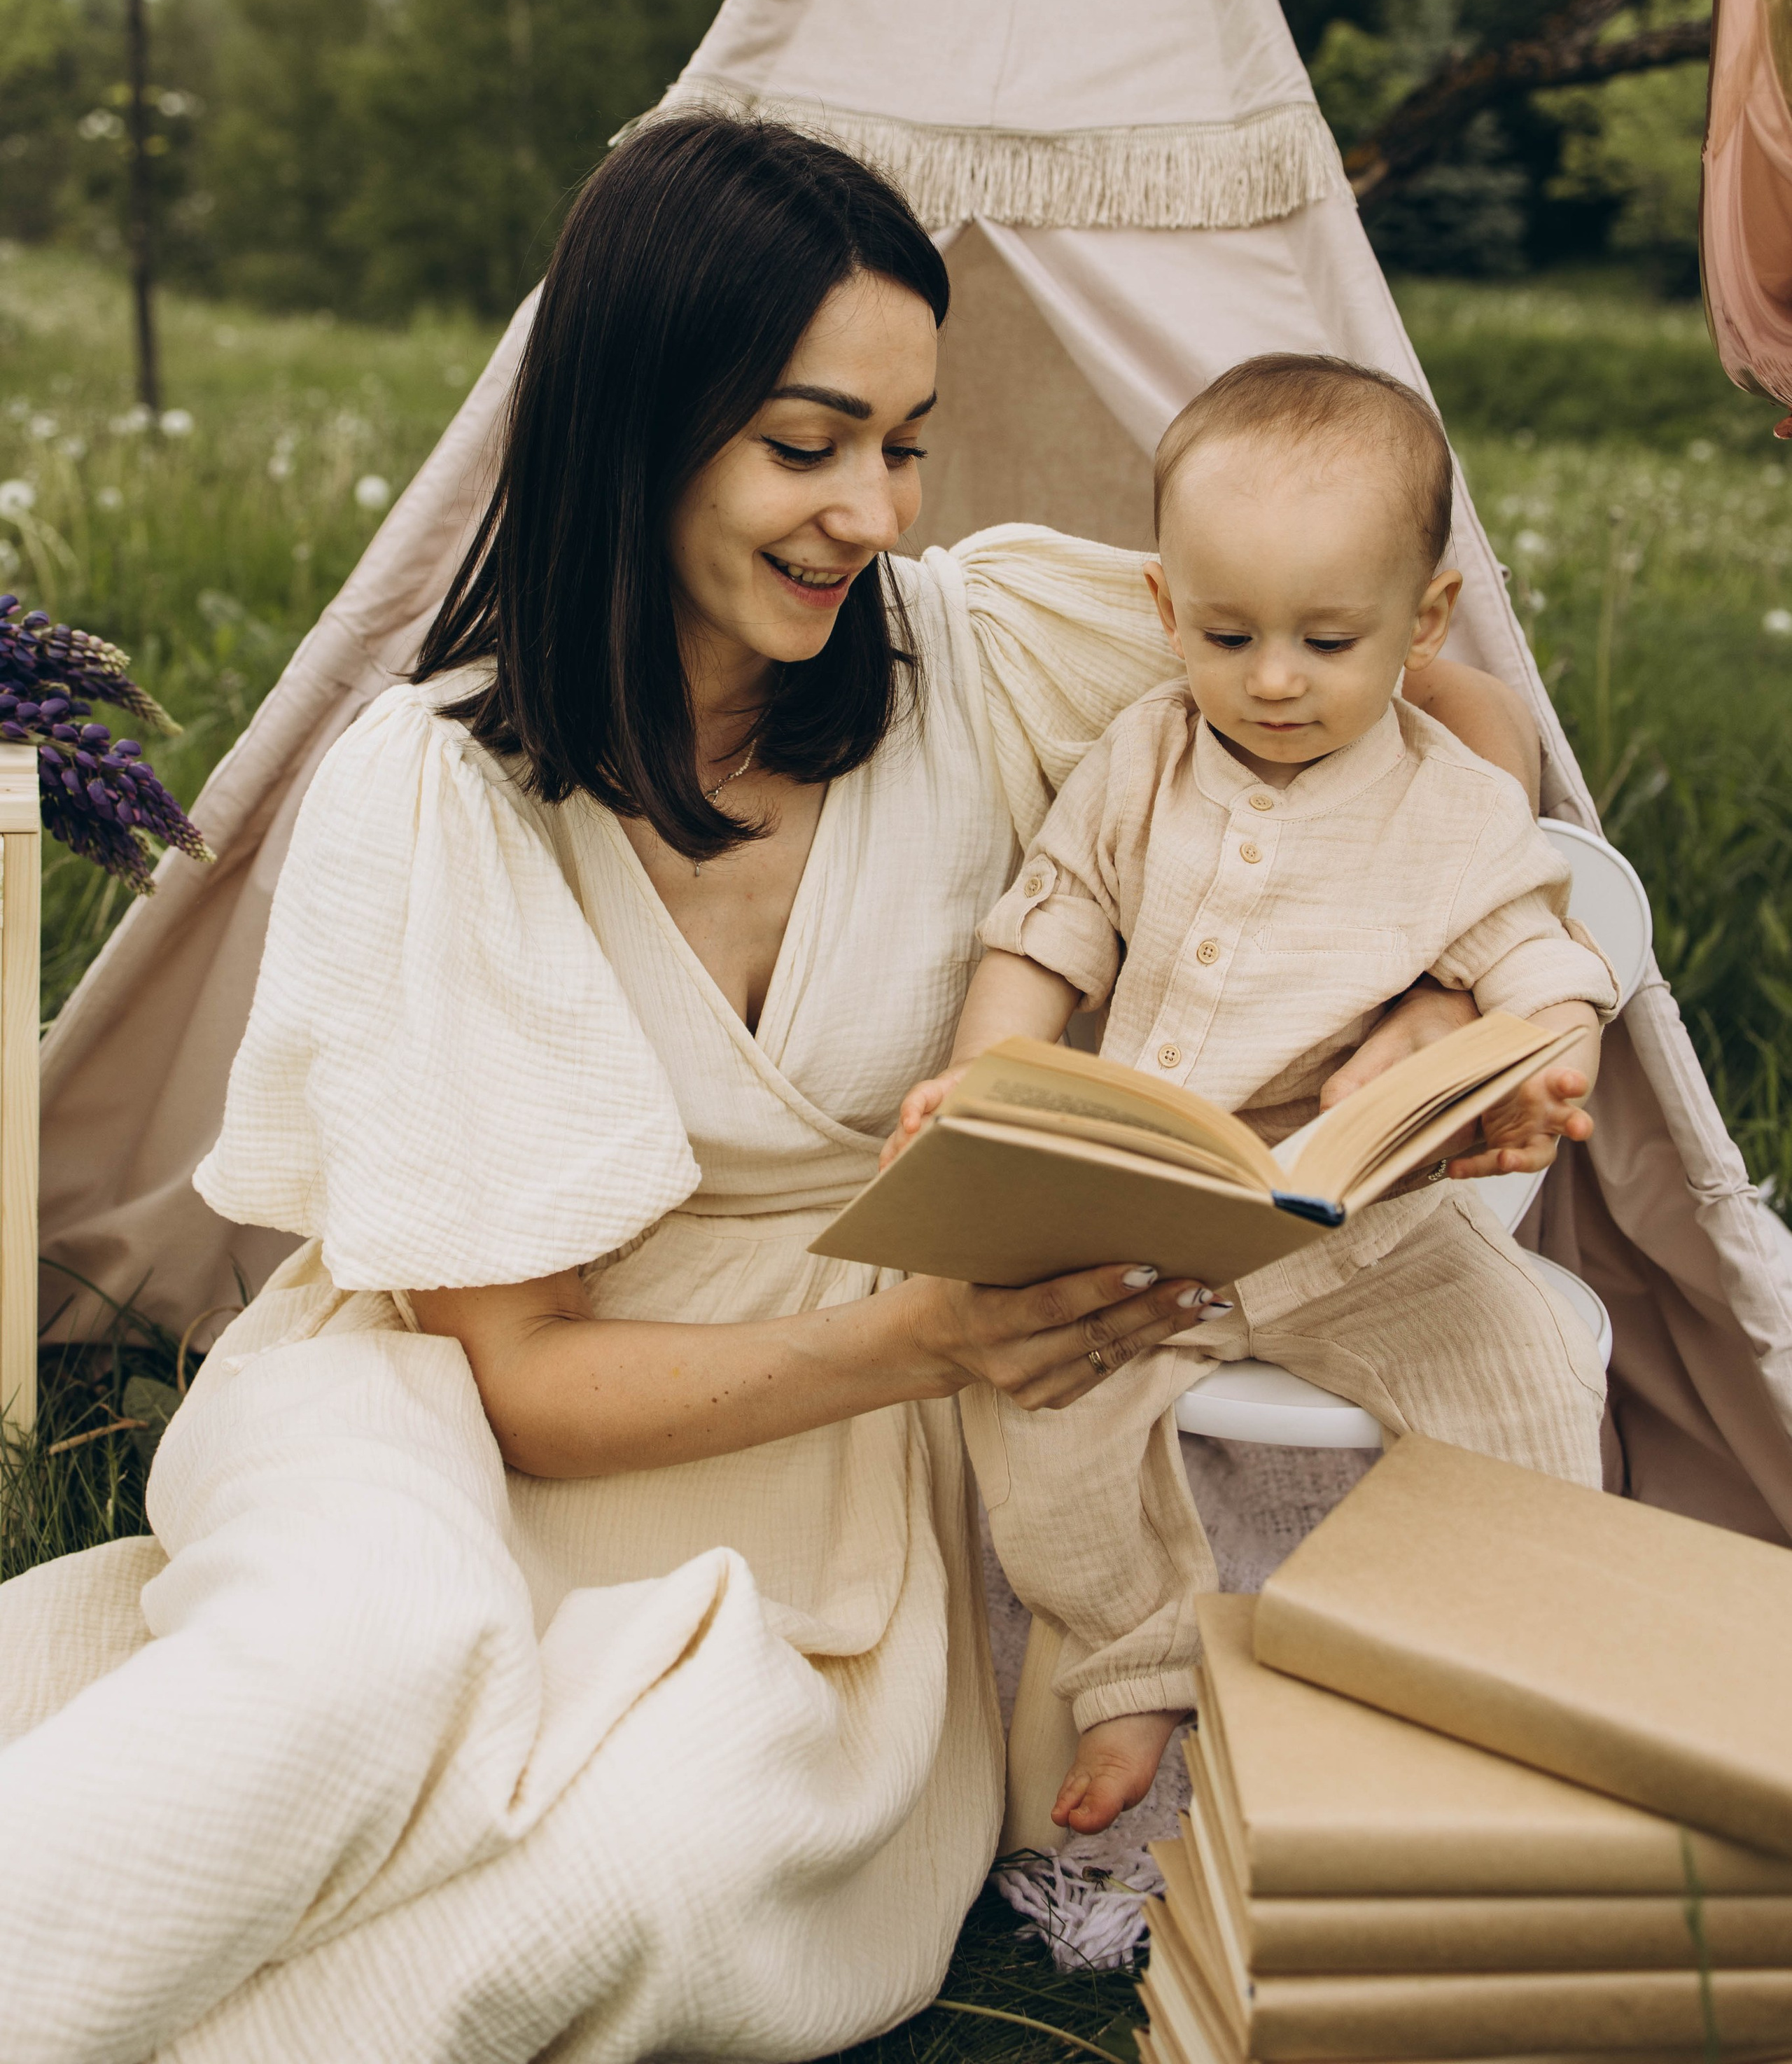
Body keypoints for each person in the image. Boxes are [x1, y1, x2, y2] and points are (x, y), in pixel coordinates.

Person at [0, 123, 1553, 2064]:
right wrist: (934, 1338)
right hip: (461, 1404)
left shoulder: (972, 650)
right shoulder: (431, 791)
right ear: (641, 425)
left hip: (830, 1492)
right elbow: (526, 1381)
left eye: (905, 443)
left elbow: (1442, 717)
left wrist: (1412, 998)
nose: (875, 512)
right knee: (352, 1673)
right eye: (806, 445)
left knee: (663, 1861)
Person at [886, 354, 1616, 1848]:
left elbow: (1545, 958)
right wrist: (987, 1079)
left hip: (1370, 1232)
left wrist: (1540, 1074)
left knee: (1531, 1361)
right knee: (1038, 1415)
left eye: (1325, 641)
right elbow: (1047, 926)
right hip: (1156, 1224)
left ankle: (1513, 1654)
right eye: (1227, 635)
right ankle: (1134, 1654)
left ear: (1420, 625)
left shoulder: (1444, 801)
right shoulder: (1138, 765)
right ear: (1166, 613)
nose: (1272, 679)